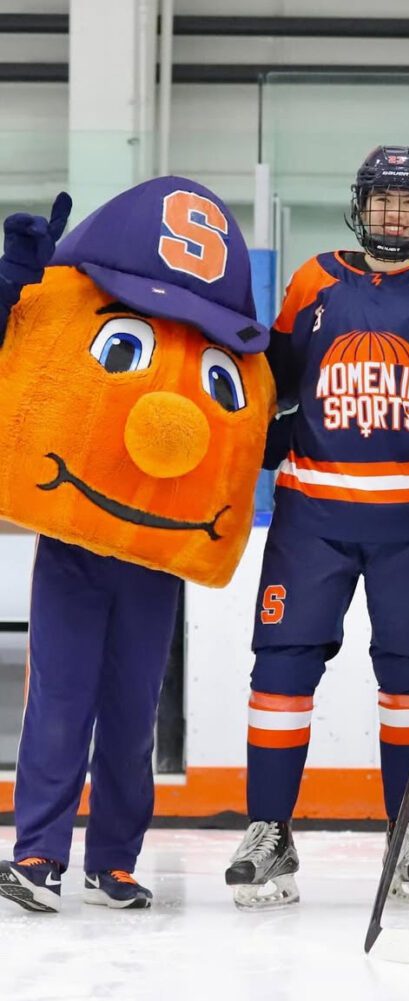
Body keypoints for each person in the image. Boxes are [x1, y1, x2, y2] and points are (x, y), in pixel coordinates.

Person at [224, 145, 409, 909]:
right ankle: (269, 828)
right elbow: (271, 385)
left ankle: (407, 829)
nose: (394, 214)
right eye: (383, 199)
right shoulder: (314, 281)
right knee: (279, 674)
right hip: (312, 516)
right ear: (360, 204)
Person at [0, 177, 275, 913]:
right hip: (75, 543)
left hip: (155, 555)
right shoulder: (81, 304)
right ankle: (38, 851)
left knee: (131, 713)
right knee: (58, 701)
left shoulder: (221, 346)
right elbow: (21, 355)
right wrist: (9, 286)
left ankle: (113, 859)